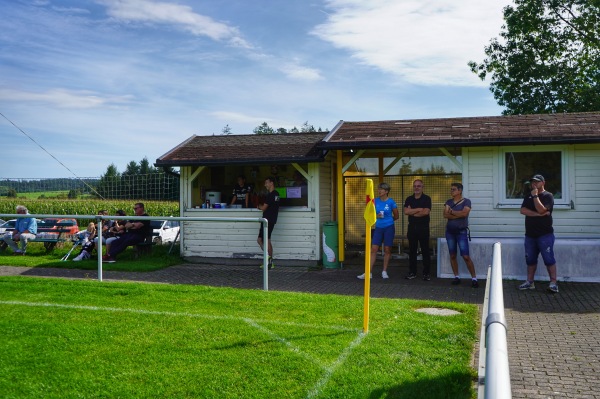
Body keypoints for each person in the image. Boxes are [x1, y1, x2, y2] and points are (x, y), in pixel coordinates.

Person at [518, 174, 559, 293]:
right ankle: (530, 282)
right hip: (530, 235)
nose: (534, 184)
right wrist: (538, 214)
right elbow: (523, 210)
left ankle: (553, 283)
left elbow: (542, 209)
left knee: (548, 259)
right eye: (532, 182)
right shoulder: (528, 196)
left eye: (537, 182)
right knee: (530, 259)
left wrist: (535, 196)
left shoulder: (548, 196)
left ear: (543, 183)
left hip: (545, 235)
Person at [358, 182, 399, 280]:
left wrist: (388, 220)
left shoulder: (391, 202)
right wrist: (376, 216)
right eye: (379, 189)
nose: (379, 191)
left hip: (389, 227)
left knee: (387, 249)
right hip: (378, 228)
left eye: (381, 189)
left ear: (386, 191)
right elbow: (369, 214)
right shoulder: (375, 201)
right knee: (374, 249)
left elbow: (396, 216)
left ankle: (384, 271)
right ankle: (369, 272)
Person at [443, 183, 479, 288]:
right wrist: (457, 214)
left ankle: (474, 278)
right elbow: (445, 215)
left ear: (460, 191)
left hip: (461, 232)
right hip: (450, 232)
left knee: (465, 256)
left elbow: (464, 214)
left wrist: (452, 212)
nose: (451, 191)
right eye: (451, 189)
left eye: (453, 189)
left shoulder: (466, 201)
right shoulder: (448, 202)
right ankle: (457, 277)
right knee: (453, 255)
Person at [403, 179, 432, 280]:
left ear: (422, 187)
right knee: (412, 251)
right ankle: (412, 272)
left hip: (423, 228)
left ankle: (426, 273)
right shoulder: (409, 199)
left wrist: (413, 211)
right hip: (412, 228)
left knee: (425, 251)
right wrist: (419, 209)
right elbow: (406, 212)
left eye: (419, 186)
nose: (416, 188)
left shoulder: (427, 199)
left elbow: (425, 212)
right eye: (415, 186)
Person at [257, 176, 280, 268]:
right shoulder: (277, 194)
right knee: (264, 240)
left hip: (267, 220)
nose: (265, 185)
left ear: (271, 183)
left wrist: (258, 206)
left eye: (266, 183)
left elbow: (263, 208)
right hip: (271, 220)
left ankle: (269, 261)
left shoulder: (270, 195)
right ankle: (269, 261)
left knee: (263, 240)